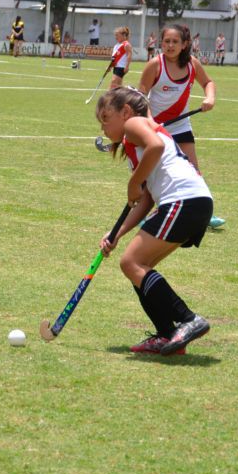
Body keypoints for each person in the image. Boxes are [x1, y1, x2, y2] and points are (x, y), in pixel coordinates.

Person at [95, 87, 213, 355]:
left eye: (105, 117)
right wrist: (117, 234)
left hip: (183, 199)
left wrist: (134, 181)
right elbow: (145, 199)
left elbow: (156, 147)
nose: (102, 126)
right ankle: (167, 334)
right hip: (193, 201)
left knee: (131, 263)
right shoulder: (135, 144)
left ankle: (187, 320)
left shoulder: (135, 123)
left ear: (124, 112)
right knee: (139, 267)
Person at [139, 23, 226, 230]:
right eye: (166, 41)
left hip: (180, 127)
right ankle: (150, 214)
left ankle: (205, 215)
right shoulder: (154, 64)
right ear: (161, 43)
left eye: (175, 42)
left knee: (193, 170)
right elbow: (140, 96)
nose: (170, 46)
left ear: (185, 44)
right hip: (156, 127)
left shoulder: (192, 65)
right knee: (156, 173)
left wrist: (210, 98)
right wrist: (150, 122)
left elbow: (208, 83)